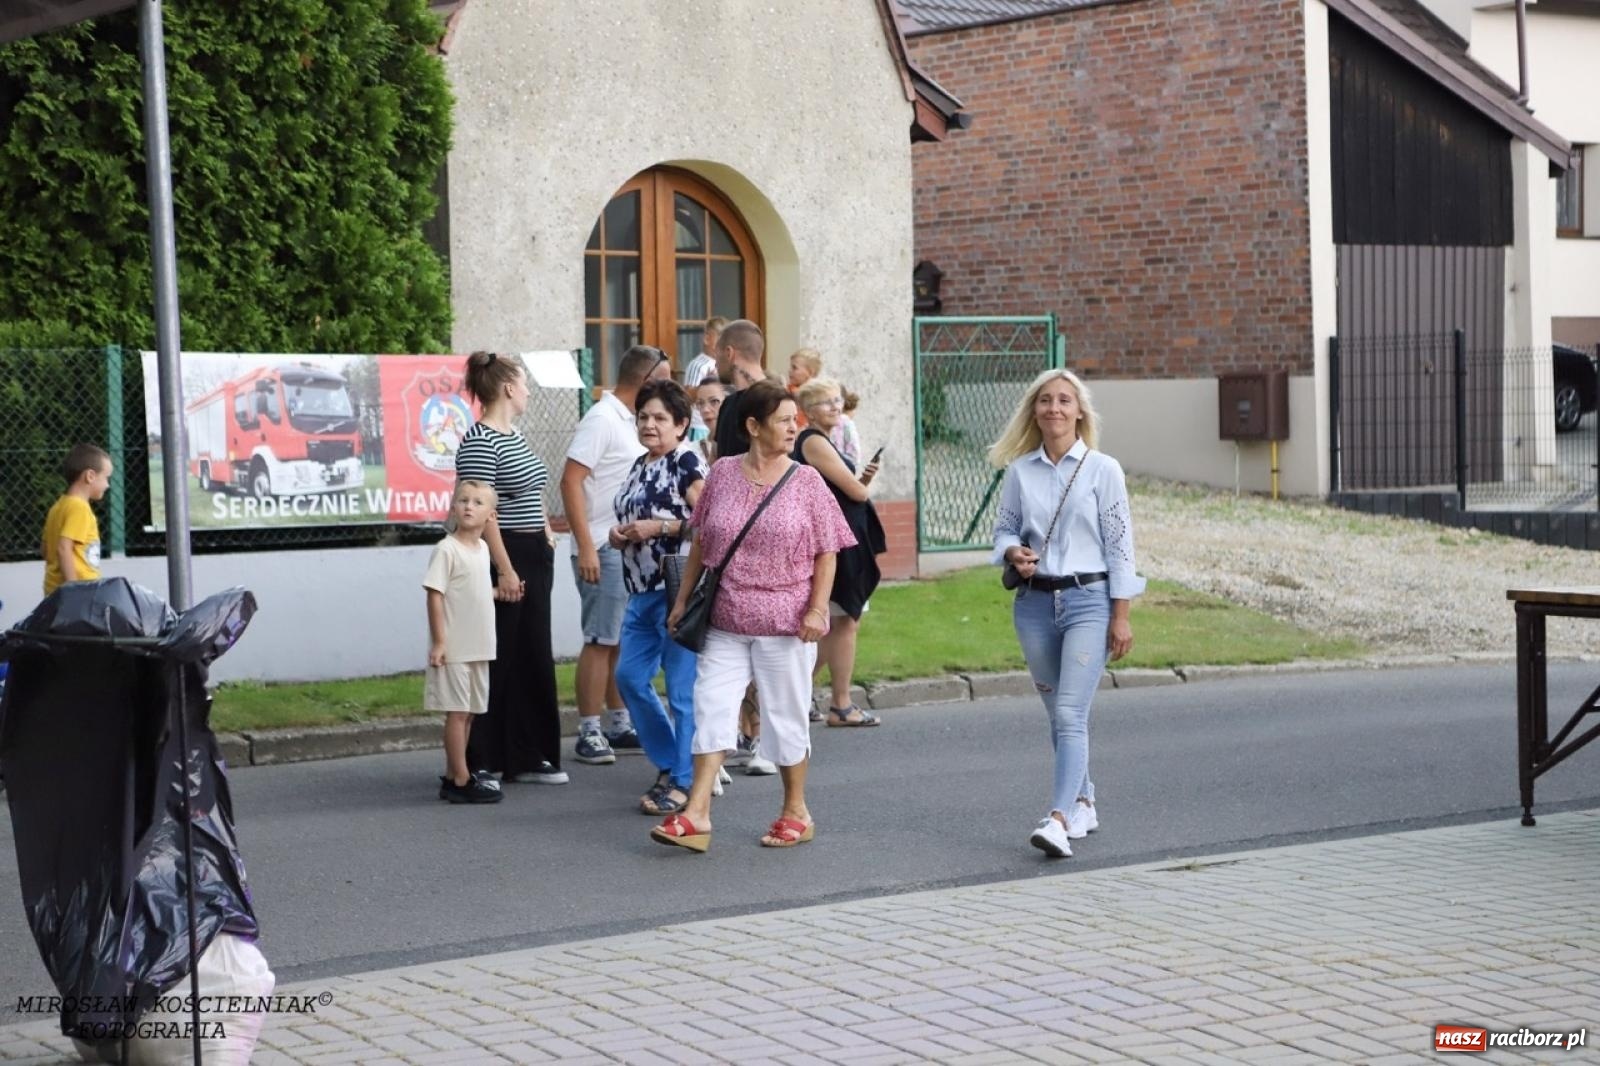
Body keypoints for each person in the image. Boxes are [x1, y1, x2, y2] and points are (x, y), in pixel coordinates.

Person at [652, 380, 855, 852]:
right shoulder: (721, 473)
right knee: (711, 709)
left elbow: (828, 552)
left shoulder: (806, 481)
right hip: (724, 621)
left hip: (786, 625)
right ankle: (697, 813)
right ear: (753, 426)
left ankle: (795, 811)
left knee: (785, 717)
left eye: (794, 420)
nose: (793, 428)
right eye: (784, 420)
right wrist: (683, 600)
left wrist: (818, 607)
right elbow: (702, 541)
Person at [990, 368, 1144, 859]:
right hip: (1034, 605)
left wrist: (1121, 615)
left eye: (1063, 400)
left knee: (1071, 713)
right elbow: (1004, 530)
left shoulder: (1104, 469)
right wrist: (1013, 552)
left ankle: (1057, 820)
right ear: (1034, 411)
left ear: (1080, 411)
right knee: (1057, 715)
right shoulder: (1020, 471)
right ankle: (1084, 800)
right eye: (1044, 401)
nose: (1053, 408)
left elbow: (1121, 549)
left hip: (1089, 602)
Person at [456, 352, 566, 785]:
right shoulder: (481, 440)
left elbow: (530, 488)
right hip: (505, 555)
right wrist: (504, 569)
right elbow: (482, 510)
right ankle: (482, 756)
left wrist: (545, 530)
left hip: (534, 553)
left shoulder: (514, 435)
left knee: (531, 653)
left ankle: (529, 752)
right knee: (497, 657)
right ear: (506, 388)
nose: (527, 391)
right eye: (522, 383)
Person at [561, 344, 674, 765]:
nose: (670, 386)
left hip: (625, 548)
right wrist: (587, 546)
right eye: (664, 378)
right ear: (645, 379)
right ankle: (588, 730)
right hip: (602, 546)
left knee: (620, 641)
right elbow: (571, 482)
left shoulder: (630, 420)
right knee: (601, 638)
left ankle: (618, 721)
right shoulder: (602, 420)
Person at [609, 379, 706, 815]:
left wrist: (660, 527)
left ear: (681, 424)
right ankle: (670, 762)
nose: (649, 424)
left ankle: (683, 782)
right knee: (629, 677)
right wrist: (618, 534)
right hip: (640, 592)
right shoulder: (639, 464)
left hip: (677, 591)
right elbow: (631, 515)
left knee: (682, 692)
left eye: (660, 418)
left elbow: (708, 522)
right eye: (643, 416)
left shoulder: (686, 461)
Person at [708, 319, 779, 776]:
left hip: (741, 537)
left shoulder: (736, 405)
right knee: (770, 649)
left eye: (718, 351)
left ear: (731, 353)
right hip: (781, 535)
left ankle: (749, 739)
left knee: (739, 647)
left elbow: (720, 470)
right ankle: (763, 742)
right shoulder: (786, 396)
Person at [794, 378, 886, 727]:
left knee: (838, 621)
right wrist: (860, 484)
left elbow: (849, 489)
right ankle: (841, 704)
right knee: (844, 620)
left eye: (837, 400)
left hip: (840, 536)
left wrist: (862, 480)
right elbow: (854, 494)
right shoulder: (814, 441)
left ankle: (803, 695)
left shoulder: (822, 440)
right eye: (825, 402)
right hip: (837, 541)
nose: (835, 407)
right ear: (808, 410)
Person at [425, 480, 502, 804]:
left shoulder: (483, 549)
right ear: (454, 508)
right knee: (457, 713)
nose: (469, 507)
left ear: (490, 515)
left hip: (479, 645)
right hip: (456, 647)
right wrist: (440, 642)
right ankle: (460, 778)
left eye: (477, 502)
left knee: (469, 712)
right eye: (463, 501)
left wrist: (498, 592)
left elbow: (475, 591)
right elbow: (435, 595)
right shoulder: (447, 549)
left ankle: (455, 770)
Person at [42, 443, 112, 596]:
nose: (107, 485)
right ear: (90, 476)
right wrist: (74, 591)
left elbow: (46, 549)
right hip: (79, 595)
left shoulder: (58, 506)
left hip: (53, 592)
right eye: (106, 478)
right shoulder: (79, 509)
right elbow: (63, 548)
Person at [683, 316, 729, 438]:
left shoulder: (724, 365)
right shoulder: (698, 365)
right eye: (719, 338)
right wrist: (707, 384)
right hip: (699, 427)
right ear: (707, 339)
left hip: (718, 425)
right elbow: (686, 396)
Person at [786, 348, 823, 429]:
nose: (789, 371)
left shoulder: (820, 396)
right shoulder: (786, 391)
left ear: (810, 372)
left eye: (794, 368)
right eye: (791, 367)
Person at [690, 378, 727, 453]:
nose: (705, 410)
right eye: (700, 403)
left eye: (714, 401)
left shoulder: (743, 447)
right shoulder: (694, 450)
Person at [832, 387, 863, 468]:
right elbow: (854, 449)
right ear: (852, 408)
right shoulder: (848, 423)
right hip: (844, 465)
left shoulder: (833, 420)